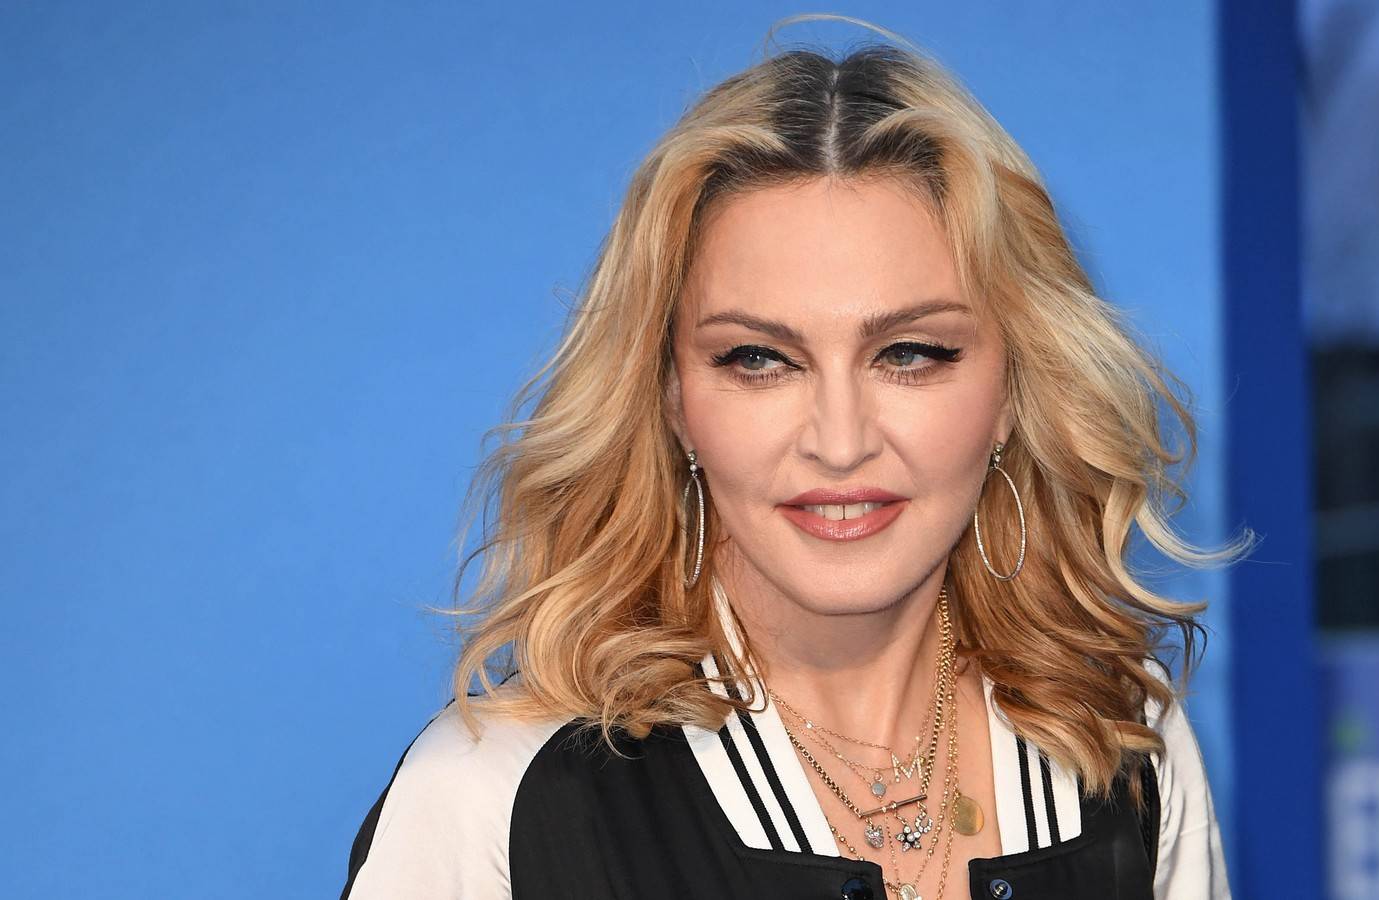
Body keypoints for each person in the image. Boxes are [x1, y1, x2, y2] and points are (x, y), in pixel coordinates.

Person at [340, 15, 1251, 900]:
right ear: (672, 399)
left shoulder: (1121, 742)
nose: (841, 442)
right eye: (759, 360)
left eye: (910, 353)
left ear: (1013, 392)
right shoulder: (494, 795)